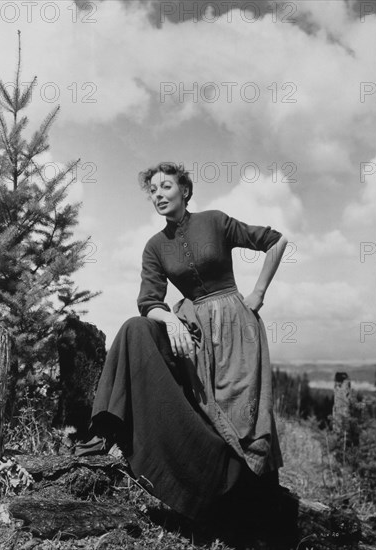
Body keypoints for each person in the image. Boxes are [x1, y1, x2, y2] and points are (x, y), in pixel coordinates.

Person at [89, 162, 289, 539]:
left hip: (236, 327)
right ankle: (209, 504)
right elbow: (149, 300)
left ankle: (262, 518)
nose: (158, 194)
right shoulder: (154, 246)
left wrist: (258, 293)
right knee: (202, 407)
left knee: (243, 419)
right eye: (152, 190)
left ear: (185, 190)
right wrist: (171, 321)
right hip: (191, 329)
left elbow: (276, 241)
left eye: (166, 186)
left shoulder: (214, 221)